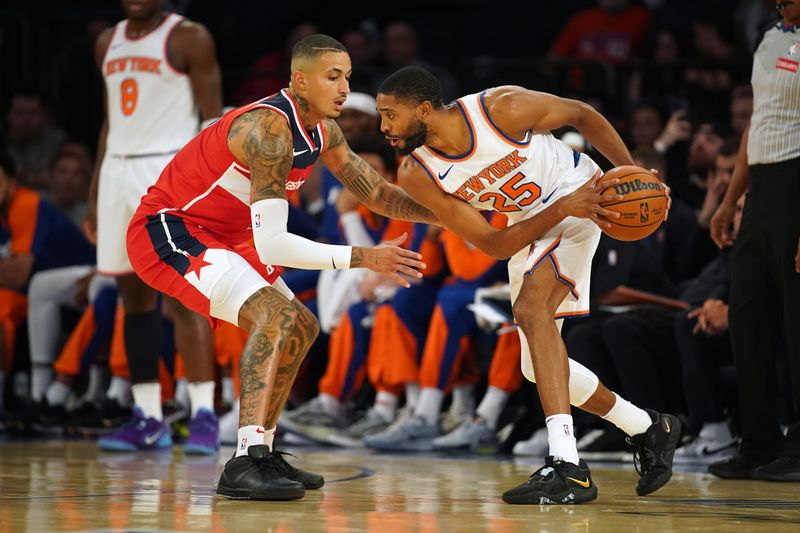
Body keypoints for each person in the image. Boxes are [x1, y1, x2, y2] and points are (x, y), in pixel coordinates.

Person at [376, 65, 681, 504]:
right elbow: (494, 243)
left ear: (424, 109)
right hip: (533, 222)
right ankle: (650, 428)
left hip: (581, 195)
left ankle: (566, 465)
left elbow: (582, 114)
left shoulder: (501, 109)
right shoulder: (416, 173)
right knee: (535, 367)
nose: (384, 127)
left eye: (391, 114)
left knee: (531, 311)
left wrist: (634, 174)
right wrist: (556, 213)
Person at [87, 0, 224, 454]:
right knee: (132, 294)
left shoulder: (190, 36)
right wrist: (95, 188)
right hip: (117, 170)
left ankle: (204, 412)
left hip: (170, 169)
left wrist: (208, 192)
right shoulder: (107, 41)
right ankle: (148, 417)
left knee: (183, 293)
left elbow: (212, 123)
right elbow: (111, 121)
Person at [709, 0, 800, 482]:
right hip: (761, 189)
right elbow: (756, 121)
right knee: (748, 322)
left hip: (796, 185)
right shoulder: (770, 34)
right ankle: (757, 443)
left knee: (797, 326)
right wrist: (729, 200)